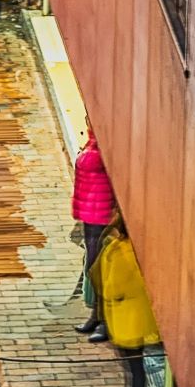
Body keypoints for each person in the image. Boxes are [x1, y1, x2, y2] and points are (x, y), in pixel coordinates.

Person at [96, 225, 160, 387]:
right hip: (134, 317)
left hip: (128, 320)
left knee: (134, 369)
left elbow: (114, 287)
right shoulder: (136, 248)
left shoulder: (123, 251)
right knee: (134, 369)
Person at [71, 132, 118, 337]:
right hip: (92, 218)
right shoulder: (94, 141)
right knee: (94, 270)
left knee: (102, 272)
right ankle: (97, 316)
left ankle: (104, 321)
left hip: (103, 219)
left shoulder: (108, 145)